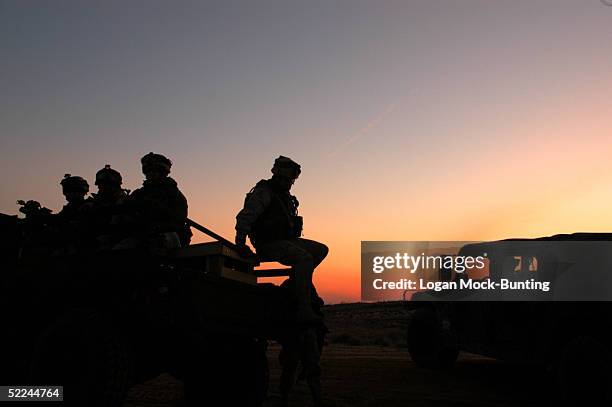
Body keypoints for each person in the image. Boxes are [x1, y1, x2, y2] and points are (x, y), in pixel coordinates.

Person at [235, 156, 328, 323]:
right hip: (268, 244)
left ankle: (296, 285)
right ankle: (302, 308)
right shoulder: (264, 192)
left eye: (292, 179)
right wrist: (240, 244)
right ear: (278, 175)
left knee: (321, 250)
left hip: (287, 241)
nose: (290, 182)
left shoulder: (284, 196)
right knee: (304, 259)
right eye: (288, 179)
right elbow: (245, 218)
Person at [127, 152, 191, 251]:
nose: (150, 174)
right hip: (141, 234)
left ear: (163, 173)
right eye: (148, 171)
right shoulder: (138, 194)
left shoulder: (174, 195)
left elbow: (177, 219)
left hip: (168, 235)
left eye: (154, 171)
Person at [84, 165, 131, 250]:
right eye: (101, 185)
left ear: (116, 186)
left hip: (120, 243)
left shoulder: (126, 202)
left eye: (108, 185)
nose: (104, 188)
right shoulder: (90, 205)